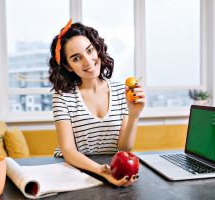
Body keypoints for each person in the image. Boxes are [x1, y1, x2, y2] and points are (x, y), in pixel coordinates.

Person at [48, 19, 146, 187]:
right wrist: (102, 171)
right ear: (68, 66)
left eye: (89, 50)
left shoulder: (121, 91)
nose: (88, 61)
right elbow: (68, 151)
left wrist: (134, 115)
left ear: (97, 49)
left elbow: (124, 148)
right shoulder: (62, 97)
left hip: (111, 169)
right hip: (72, 171)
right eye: (76, 58)